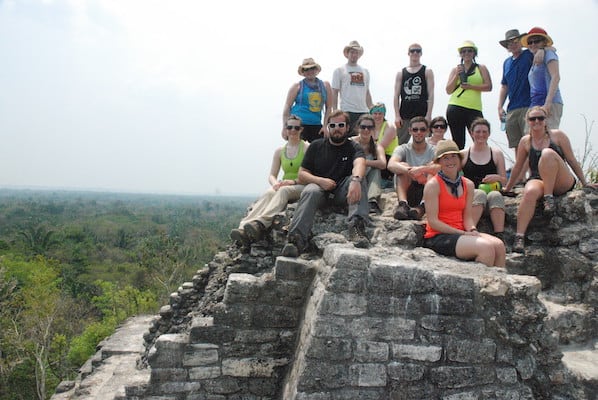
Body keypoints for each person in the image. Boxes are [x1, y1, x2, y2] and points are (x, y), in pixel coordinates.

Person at [503, 106, 592, 253]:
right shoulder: (525, 141)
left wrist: (585, 182)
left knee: (547, 154)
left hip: (561, 179)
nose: (536, 121)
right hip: (539, 179)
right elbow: (518, 167)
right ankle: (520, 237)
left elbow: (571, 160)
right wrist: (507, 188)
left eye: (540, 118)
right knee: (530, 191)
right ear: (528, 121)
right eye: (532, 119)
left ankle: (548, 198)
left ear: (546, 120)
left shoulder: (557, 136)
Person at [281, 110, 370, 257]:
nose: (337, 128)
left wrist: (355, 180)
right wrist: (320, 181)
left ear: (347, 127)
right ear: (328, 127)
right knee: (310, 190)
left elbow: (360, 163)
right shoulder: (316, 146)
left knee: (359, 180)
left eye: (341, 125)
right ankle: (296, 240)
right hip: (320, 191)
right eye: (333, 125)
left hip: (342, 191)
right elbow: (302, 174)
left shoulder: (354, 147)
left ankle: (357, 228)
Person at [423, 140, 506, 268]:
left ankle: (499, 283)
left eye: (453, 156)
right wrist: (462, 233)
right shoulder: (433, 185)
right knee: (486, 248)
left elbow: (467, 217)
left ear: (460, 159)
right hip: (438, 236)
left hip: (461, 233)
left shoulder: (468, 184)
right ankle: (482, 284)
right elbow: (433, 222)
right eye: (445, 158)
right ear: (439, 162)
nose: (450, 161)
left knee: (499, 246)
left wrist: (472, 230)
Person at [230, 116, 309, 247]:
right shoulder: (280, 151)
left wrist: (293, 182)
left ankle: (260, 223)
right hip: (283, 184)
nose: (293, 130)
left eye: (296, 127)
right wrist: (275, 184)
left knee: (284, 191)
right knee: (269, 193)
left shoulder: (306, 148)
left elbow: (309, 173)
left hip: (300, 185)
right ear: (285, 129)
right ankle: (243, 228)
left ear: (301, 130)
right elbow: (272, 174)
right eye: (289, 127)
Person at [460, 118, 507, 241]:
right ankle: (470, 231)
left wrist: (497, 178)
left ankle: (499, 235)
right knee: (479, 193)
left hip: (491, 195)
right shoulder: (464, 154)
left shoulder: (496, 154)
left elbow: (504, 181)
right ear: (471, 133)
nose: (481, 135)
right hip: (471, 196)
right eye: (478, 131)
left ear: (489, 133)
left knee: (496, 195)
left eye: (484, 132)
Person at [387, 116, 438, 220]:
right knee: (402, 166)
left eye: (422, 129)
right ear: (410, 131)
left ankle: (422, 207)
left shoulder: (434, 150)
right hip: (408, 188)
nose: (419, 132)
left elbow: (440, 167)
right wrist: (410, 171)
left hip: (427, 190)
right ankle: (403, 205)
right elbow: (391, 164)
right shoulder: (403, 148)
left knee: (432, 171)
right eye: (415, 129)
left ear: (427, 131)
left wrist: (421, 170)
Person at [445, 40, 492, 150]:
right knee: (458, 142)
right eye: (463, 51)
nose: (466, 53)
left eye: (469, 51)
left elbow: (489, 86)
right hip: (456, 106)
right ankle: (457, 166)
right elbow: (448, 90)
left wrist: (471, 86)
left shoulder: (481, 68)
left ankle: (482, 165)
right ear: (460, 54)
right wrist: (457, 75)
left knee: (480, 139)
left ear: (474, 53)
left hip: (474, 108)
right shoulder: (455, 69)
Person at [497, 29, 534, 157]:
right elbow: (504, 85)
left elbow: (547, 48)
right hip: (512, 108)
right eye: (509, 43)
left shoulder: (529, 54)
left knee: (530, 141)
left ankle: (533, 174)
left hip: (529, 104)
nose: (513, 44)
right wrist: (500, 106)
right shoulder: (506, 63)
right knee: (517, 145)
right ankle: (521, 176)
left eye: (515, 41)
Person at [521, 27, 563, 129]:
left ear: (544, 42)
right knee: (530, 136)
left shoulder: (549, 54)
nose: (533, 44)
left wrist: (547, 103)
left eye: (537, 41)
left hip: (549, 103)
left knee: (549, 136)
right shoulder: (536, 58)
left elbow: (556, 77)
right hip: (535, 104)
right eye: (530, 42)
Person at [282, 58, 332, 142]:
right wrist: (285, 127)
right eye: (306, 69)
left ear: (316, 70)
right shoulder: (297, 86)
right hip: (299, 125)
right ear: (303, 72)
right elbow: (287, 107)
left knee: (317, 151)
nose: (309, 71)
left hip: (316, 124)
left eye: (312, 68)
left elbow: (329, 107)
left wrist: (325, 126)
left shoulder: (325, 85)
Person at [394, 43, 435, 145]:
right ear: (408, 53)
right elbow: (396, 95)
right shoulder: (401, 72)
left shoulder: (427, 71)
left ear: (421, 53)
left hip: (422, 113)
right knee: (399, 143)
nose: (415, 53)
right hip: (405, 114)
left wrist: (428, 115)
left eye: (418, 50)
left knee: (425, 144)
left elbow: (431, 94)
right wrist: (397, 116)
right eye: (412, 51)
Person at [331, 40, 373, 135]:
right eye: (352, 52)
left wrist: (372, 108)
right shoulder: (339, 70)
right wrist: (335, 110)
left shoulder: (365, 71)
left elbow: (367, 92)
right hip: (347, 110)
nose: (354, 55)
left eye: (356, 52)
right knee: (347, 138)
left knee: (364, 138)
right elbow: (334, 92)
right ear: (347, 53)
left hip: (363, 111)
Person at [351, 114, 386, 214]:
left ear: (373, 129)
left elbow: (383, 164)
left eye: (369, 127)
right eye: (363, 127)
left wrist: (362, 162)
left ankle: (372, 201)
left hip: (368, 176)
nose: (366, 130)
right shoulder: (351, 142)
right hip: (353, 176)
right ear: (358, 128)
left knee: (376, 170)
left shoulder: (376, 146)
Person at [370, 102, 398, 186]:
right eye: (375, 113)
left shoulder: (389, 127)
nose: (377, 116)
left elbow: (381, 147)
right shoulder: (369, 127)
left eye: (380, 113)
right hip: (375, 155)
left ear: (384, 114)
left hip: (388, 157)